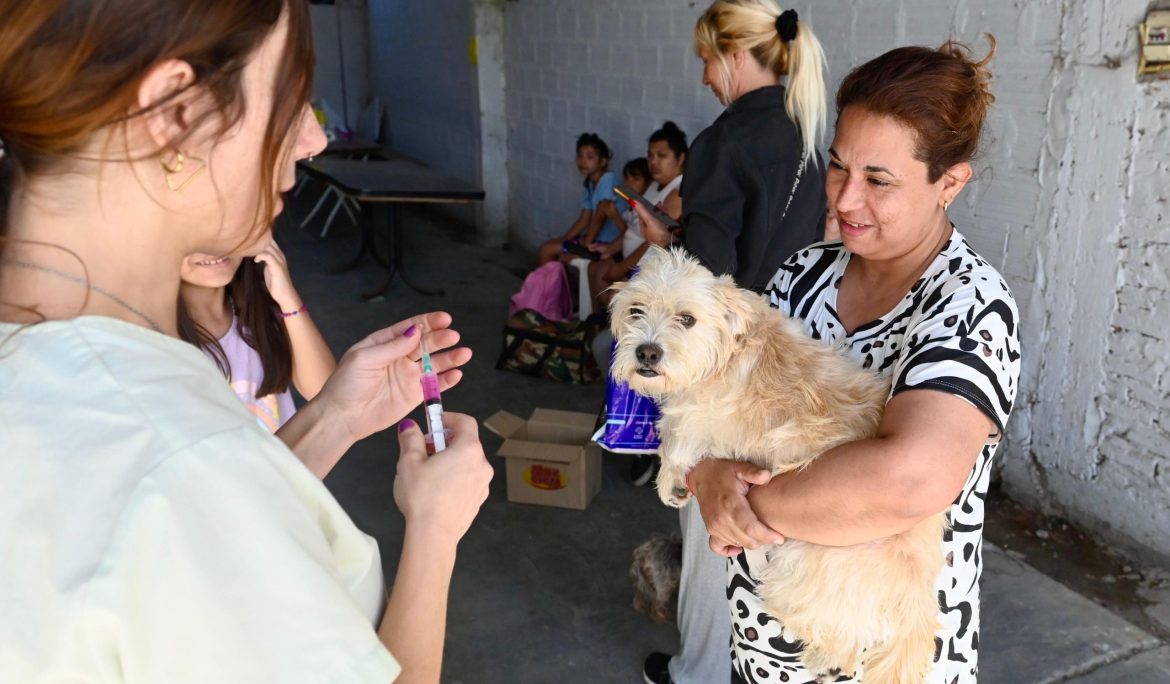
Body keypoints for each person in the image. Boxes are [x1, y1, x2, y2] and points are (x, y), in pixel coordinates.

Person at [0, 2, 492, 682]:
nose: (314, 141)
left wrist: (333, 417)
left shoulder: (74, 370)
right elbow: (191, 486)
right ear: (176, 114)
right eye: (292, 96)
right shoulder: (180, 457)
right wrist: (436, 530)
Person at [689, 37, 1021, 683]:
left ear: (948, 183)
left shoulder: (970, 305)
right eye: (838, 167)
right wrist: (705, 472)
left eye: (879, 180)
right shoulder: (803, 272)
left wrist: (740, 503)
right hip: (766, 634)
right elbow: (725, 401)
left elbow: (907, 482)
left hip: (882, 655)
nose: (843, 201)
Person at [633, 3, 829, 683]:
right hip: (801, 354)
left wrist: (666, 240)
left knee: (712, 520)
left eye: (706, 59)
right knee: (773, 518)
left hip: (726, 365)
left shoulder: (723, 141)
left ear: (734, 55)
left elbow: (706, 280)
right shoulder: (809, 132)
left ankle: (699, 671)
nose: (704, 76)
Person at [178, 236, 335, 434]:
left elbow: (327, 392)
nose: (214, 244)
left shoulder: (259, 309)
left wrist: (288, 299)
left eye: (225, 227)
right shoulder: (158, 339)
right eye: (195, 233)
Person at [589, 121, 687, 315]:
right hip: (629, 260)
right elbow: (634, 227)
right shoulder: (653, 185)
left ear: (681, 157)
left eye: (662, 156)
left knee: (608, 287)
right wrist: (611, 248)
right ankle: (597, 325)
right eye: (650, 155)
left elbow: (658, 241)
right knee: (594, 269)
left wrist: (620, 269)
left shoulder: (678, 192)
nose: (653, 162)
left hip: (646, 271)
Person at [536, 132, 624, 265]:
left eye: (590, 157)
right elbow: (584, 220)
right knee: (547, 248)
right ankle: (551, 286)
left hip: (610, 243)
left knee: (559, 255)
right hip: (594, 239)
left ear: (602, 161)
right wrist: (566, 239)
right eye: (580, 156)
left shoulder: (608, 179)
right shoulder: (590, 183)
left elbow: (599, 220)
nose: (583, 161)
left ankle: (556, 285)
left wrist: (585, 244)